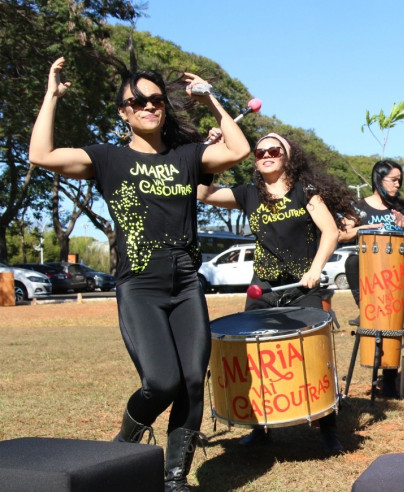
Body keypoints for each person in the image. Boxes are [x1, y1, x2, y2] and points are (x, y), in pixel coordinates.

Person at [29, 57, 250, 490]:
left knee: (190, 381)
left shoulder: (188, 156)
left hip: (186, 283)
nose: (149, 106)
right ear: (124, 111)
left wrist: (211, 100)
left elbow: (239, 150)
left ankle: (174, 479)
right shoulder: (107, 159)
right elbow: (41, 155)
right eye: (138, 101)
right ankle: (123, 445)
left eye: (156, 100)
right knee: (162, 381)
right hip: (140, 286)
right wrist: (51, 98)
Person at [199, 132, 357, 452]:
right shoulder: (247, 193)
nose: (266, 155)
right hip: (265, 289)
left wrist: (315, 269)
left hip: (303, 288)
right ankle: (261, 427)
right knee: (253, 357)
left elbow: (330, 231)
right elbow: (203, 192)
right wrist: (208, 151)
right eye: (260, 152)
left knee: (316, 357)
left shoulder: (305, 191)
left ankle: (327, 428)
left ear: (288, 156)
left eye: (274, 150)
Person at [338, 159, 404, 398]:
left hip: (396, 276)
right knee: (351, 262)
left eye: (399, 180)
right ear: (378, 179)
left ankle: (389, 382)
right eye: (393, 180)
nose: (397, 185)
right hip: (370, 278)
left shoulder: (402, 207)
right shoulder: (360, 207)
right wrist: (363, 229)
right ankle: (364, 309)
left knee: (391, 328)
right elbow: (342, 233)